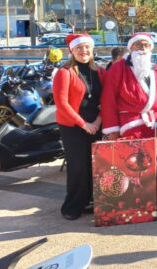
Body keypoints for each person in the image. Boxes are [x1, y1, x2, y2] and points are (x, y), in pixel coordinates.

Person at [52, 34, 105, 220]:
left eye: (87, 47)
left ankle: (90, 200)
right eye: (79, 48)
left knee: (93, 166)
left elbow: (105, 99)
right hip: (73, 126)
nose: (84, 51)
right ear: (72, 51)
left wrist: (97, 122)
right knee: (78, 166)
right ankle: (73, 205)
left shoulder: (99, 71)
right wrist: (84, 125)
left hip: (95, 125)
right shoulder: (64, 72)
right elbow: (62, 104)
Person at [101, 33, 157, 139]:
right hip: (129, 124)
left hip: (153, 123)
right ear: (131, 47)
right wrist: (112, 128)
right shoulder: (117, 69)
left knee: (150, 154)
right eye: (138, 44)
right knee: (132, 155)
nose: (143, 48)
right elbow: (108, 99)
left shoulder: (156, 70)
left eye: (146, 45)